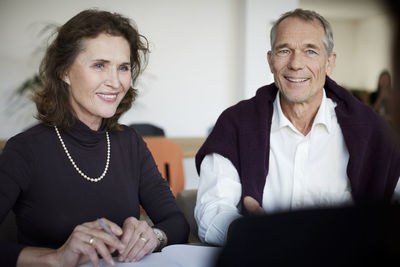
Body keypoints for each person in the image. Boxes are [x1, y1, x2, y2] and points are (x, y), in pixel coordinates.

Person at [194, 8, 400, 246]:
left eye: (310, 51)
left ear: (329, 62)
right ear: (271, 60)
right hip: (263, 257)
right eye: (284, 51)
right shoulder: (235, 124)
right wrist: (253, 232)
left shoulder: (372, 130)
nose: (295, 63)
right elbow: (211, 213)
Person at [0, 9, 189, 267]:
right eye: (99, 65)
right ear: (64, 71)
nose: (115, 81)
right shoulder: (24, 149)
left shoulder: (130, 142)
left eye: (123, 68)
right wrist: (54, 258)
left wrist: (154, 236)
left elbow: (176, 222)